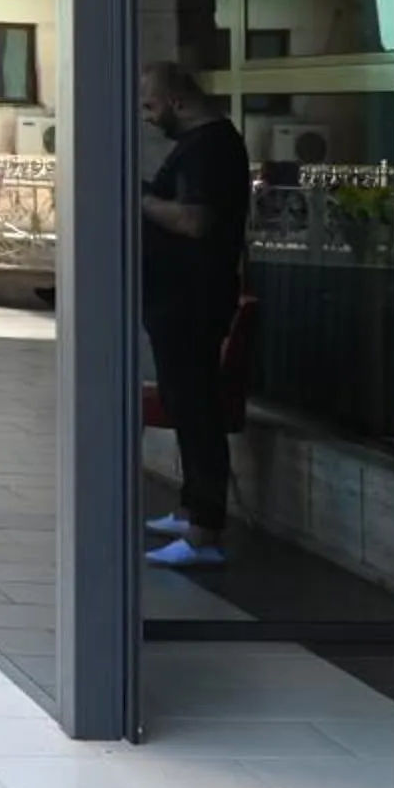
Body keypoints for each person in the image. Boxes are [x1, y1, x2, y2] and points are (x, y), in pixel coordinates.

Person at [138, 63, 251, 570]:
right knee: (184, 404)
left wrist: (137, 198)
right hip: (176, 297)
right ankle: (191, 510)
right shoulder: (198, 146)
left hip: (194, 299)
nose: (148, 117)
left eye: (151, 106)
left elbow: (194, 219)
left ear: (178, 102)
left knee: (198, 408)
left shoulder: (212, 147)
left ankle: (205, 530)